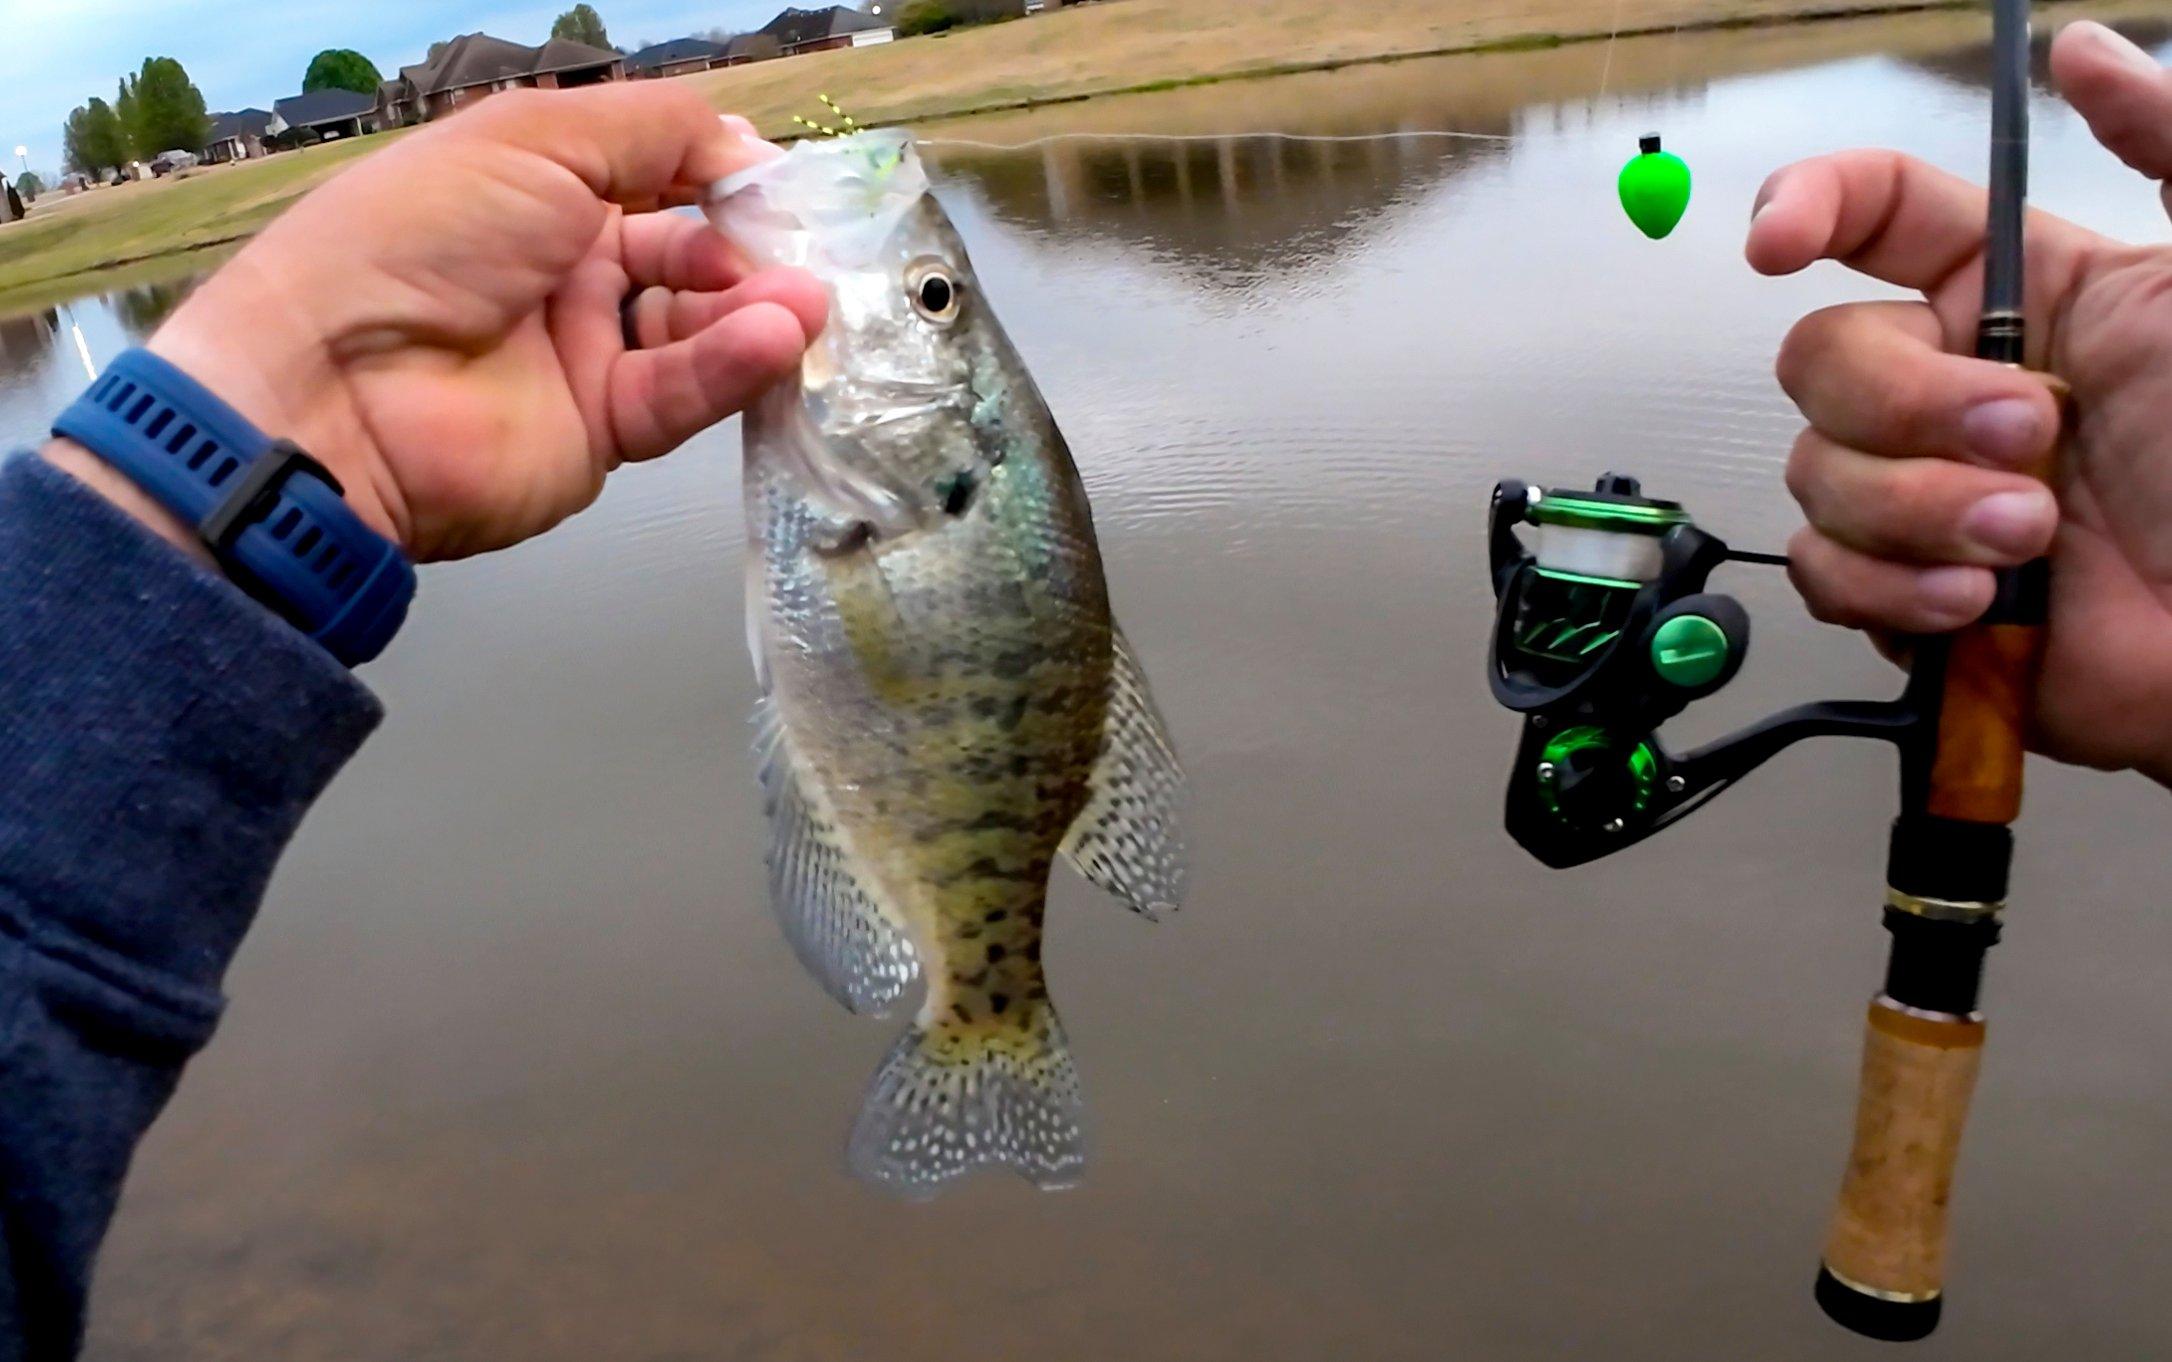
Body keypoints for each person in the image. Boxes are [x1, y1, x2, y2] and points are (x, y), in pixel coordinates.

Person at [0, 20, 2166, 1361]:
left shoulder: (864, 465)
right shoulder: (879, 463)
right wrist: (293, 414)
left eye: (934, 302)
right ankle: (985, 1000)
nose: (913, 298)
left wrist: (273, 413)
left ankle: (983, 1007)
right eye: (936, 301)